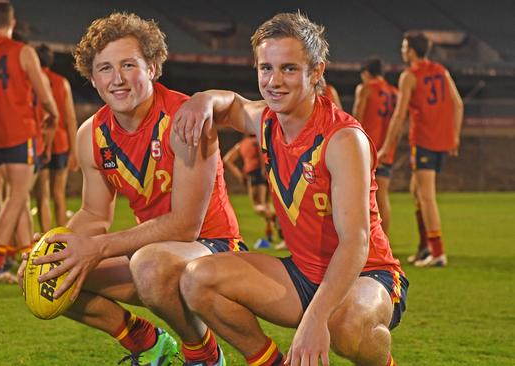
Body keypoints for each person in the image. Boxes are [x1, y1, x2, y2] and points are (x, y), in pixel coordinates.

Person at [173, 12, 408, 366]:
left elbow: (356, 242)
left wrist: (316, 317)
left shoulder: (343, 139)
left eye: (289, 69)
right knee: (197, 280)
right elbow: (235, 105)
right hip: (303, 273)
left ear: (315, 72)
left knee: (342, 323)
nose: (274, 81)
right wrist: (204, 98)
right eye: (266, 68)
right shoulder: (267, 120)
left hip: (366, 275)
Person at [18, 12, 245, 366]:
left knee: (149, 267)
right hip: (151, 255)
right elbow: (94, 214)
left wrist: (97, 247)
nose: (117, 79)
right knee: (52, 276)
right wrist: (50, 251)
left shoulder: (185, 118)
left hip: (215, 250)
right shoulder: (91, 134)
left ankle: (203, 356)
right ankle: (148, 342)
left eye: (128, 65)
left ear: (152, 67)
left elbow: (185, 225)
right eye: (105, 68)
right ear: (92, 78)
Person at [0, 0, 58, 282]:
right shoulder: (23, 51)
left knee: (15, 198)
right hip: (19, 132)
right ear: (14, 22)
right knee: (18, 196)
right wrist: (52, 113)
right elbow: (42, 90)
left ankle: (28, 258)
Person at [378, 31, 463, 267]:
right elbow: (458, 104)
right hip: (442, 142)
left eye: (405, 47)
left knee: (426, 196)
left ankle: (438, 252)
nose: (402, 51)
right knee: (416, 191)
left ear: (413, 51)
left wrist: (386, 147)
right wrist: (454, 136)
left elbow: (399, 114)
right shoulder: (441, 70)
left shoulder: (409, 76)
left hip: (425, 141)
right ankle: (424, 247)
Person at [352, 58, 398, 234]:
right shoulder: (395, 92)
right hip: (387, 150)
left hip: (367, 151)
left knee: (361, 199)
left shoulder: (365, 89)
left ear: (366, 73)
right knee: (382, 197)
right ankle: (383, 242)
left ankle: (366, 241)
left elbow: (357, 118)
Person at [35, 44, 79, 227]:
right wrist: (74, 151)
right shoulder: (62, 82)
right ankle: (62, 242)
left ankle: (45, 241)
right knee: (59, 194)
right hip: (61, 143)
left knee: (43, 195)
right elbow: (70, 118)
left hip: (41, 142)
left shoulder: (33, 81)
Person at [223, 135, 277, 246]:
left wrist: (239, 175)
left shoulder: (244, 143)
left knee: (258, 206)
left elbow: (227, 160)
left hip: (254, 174)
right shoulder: (260, 139)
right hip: (265, 173)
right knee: (265, 204)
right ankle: (270, 234)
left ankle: (277, 216)